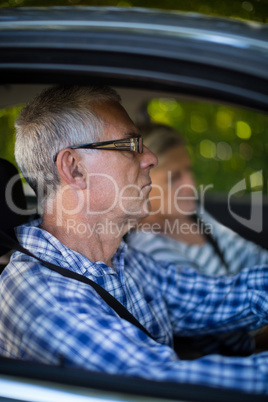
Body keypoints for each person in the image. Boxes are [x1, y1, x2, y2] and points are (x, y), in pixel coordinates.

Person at [0, 85, 268, 395]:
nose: (150, 158)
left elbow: (214, 296)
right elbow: (165, 386)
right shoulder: (46, 300)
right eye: (130, 145)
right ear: (75, 169)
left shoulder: (116, 257)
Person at [126, 124, 268, 356]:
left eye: (189, 171)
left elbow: (254, 256)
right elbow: (229, 336)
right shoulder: (149, 251)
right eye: (174, 178)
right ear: (140, 184)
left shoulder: (195, 216)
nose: (190, 185)